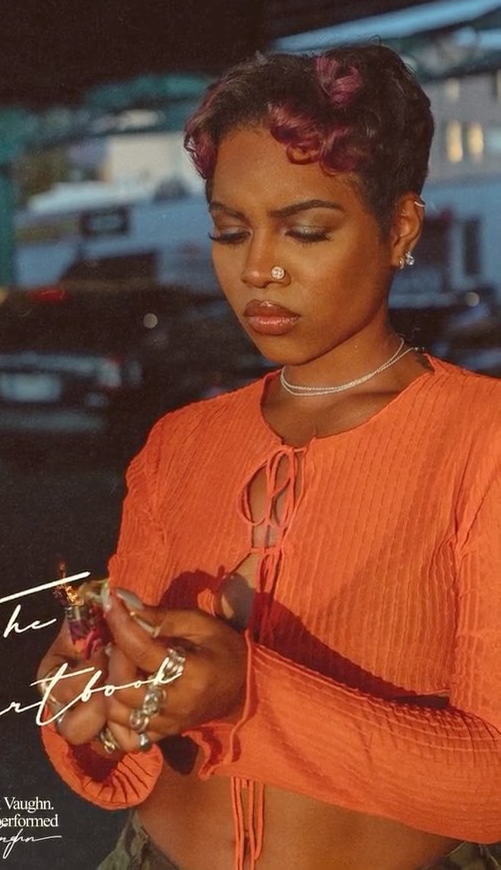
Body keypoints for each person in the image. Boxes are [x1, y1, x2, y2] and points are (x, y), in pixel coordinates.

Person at [36, 44, 501, 869]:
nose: (257, 269)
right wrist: (96, 700)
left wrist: (249, 698)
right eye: (230, 230)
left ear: (400, 228)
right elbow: (132, 740)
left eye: (306, 229)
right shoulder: (179, 444)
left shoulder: (481, 441)